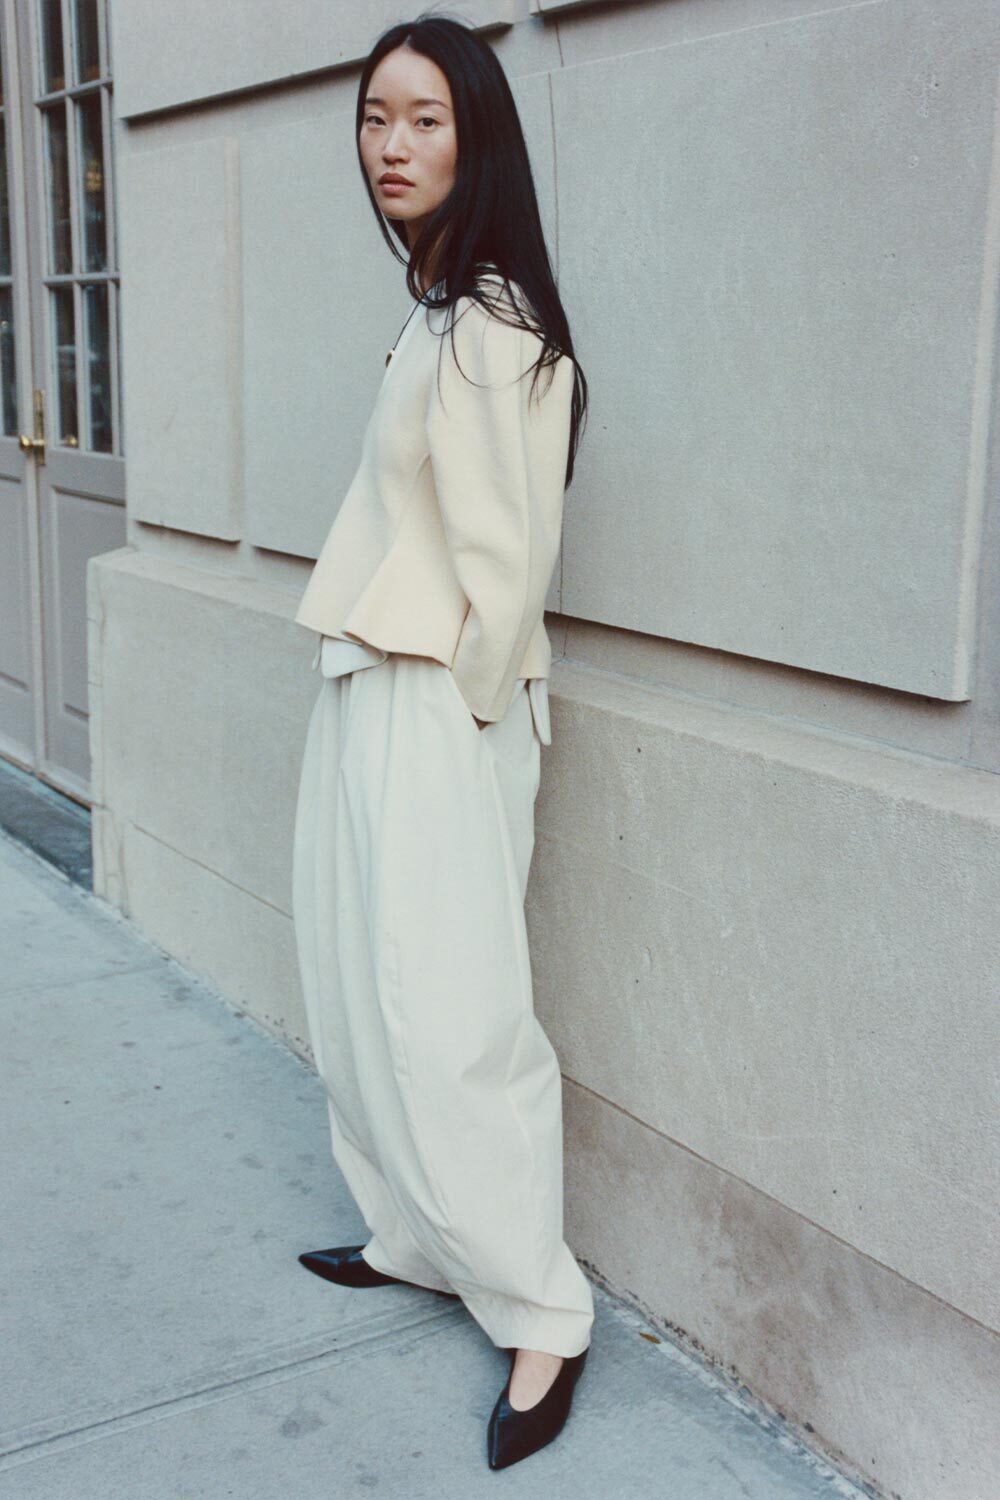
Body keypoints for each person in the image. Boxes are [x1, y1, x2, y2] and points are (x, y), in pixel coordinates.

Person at [290, 12, 594, 1471]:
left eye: (424, 119)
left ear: (478, 139)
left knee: (454, 1013)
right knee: (359, 987)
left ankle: (544, 1312)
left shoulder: (493, 329)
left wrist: (461, 715)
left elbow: (507, 568)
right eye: (374, 117)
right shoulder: (432, 309)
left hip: (435, 703)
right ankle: (417, 1235)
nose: (391, 146)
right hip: (373, 678)